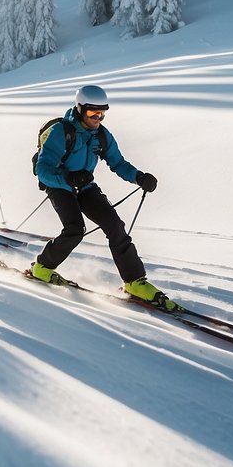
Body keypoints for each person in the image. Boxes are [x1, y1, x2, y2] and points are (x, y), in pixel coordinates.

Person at [31, 84, 175, 309]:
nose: (98, 118)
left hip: (85, 186)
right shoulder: (62, 131)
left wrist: (139, 177)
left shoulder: (101, 135)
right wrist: (68, 179)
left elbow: (117, 162)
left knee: (115, 226)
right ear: (79, 109)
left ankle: (134, 282)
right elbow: (43, 169)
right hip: (60, 185)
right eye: (92, 113)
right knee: (75, 229)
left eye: (102, 113)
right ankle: (42, 268)